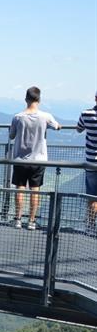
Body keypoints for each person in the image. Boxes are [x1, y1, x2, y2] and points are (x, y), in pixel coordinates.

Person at [9, 86, 61, 230]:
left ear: (26, 99)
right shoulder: (45, 117)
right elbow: (57, 127)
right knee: (35, 190)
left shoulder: (18, 117)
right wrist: (57, 126)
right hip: (38, 159)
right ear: (39, 99)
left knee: (20, 188)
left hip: (20, 159)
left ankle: (18, 219)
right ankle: (31, 221)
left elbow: (11, 136)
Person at [76, 90, 97, 233]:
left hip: (90, 162)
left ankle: (90, 226)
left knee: (92, 196)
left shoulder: (86, 114)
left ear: (95, 98)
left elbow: (79, 129)